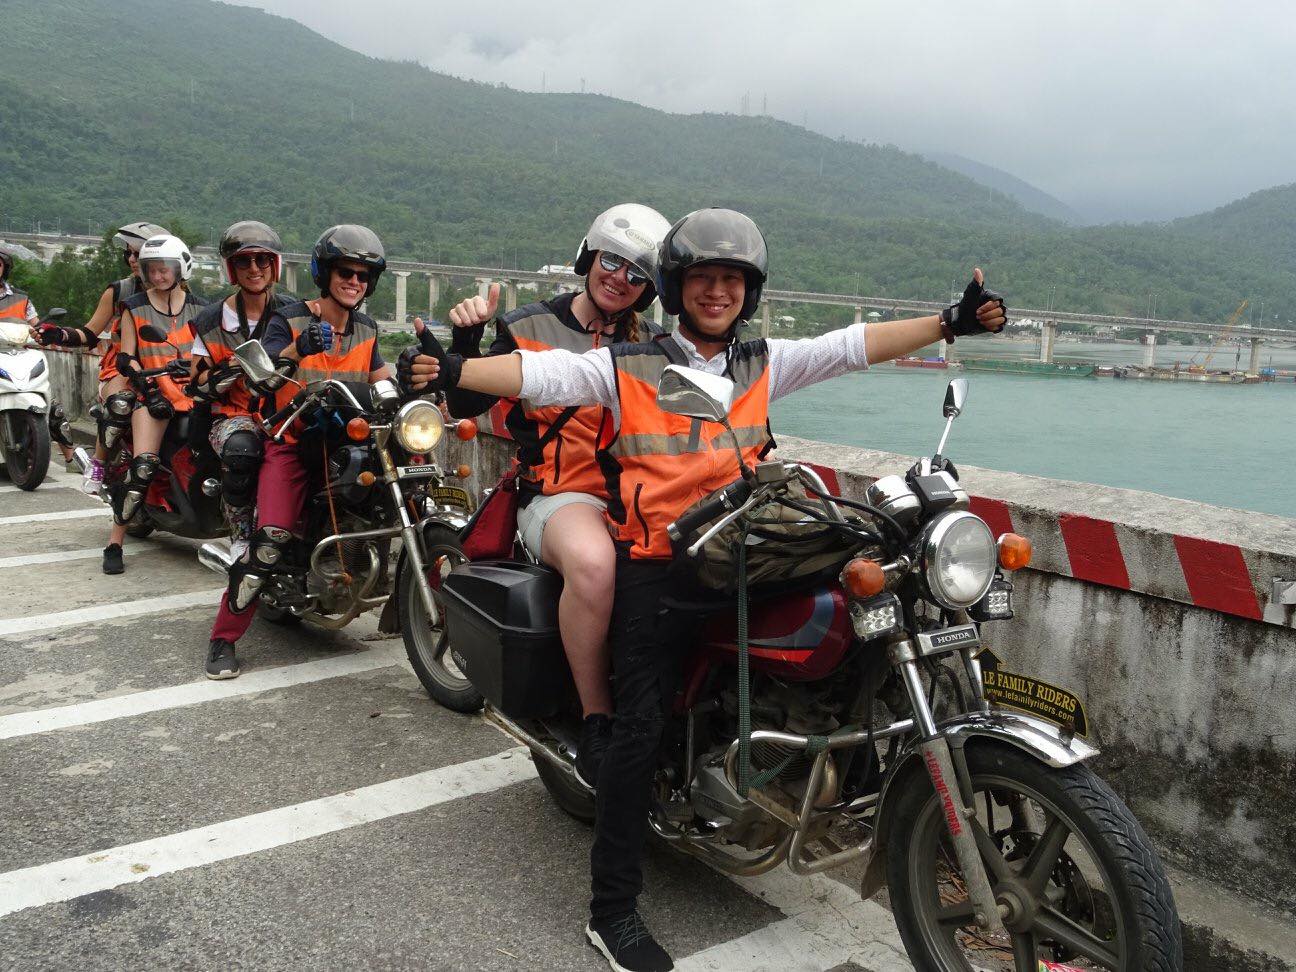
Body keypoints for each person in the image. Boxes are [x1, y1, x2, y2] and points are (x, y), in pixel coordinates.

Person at [404, 207, 1007, 972]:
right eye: (701, 279)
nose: (716, 292)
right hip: (663, 561)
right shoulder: (629, 365)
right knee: (636, 728)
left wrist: (949, 322)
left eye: (731, 280)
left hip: (748, 551)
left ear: (747, 292)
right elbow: (540, 374)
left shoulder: (762, 361)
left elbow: (852, 346)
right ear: (678, 288)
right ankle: (612, 912)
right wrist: (454, 371)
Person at [418, 203, 671, 787]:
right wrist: (465, 339)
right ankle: (597, 717)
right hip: (558, 496)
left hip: (638, 495)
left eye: (638, 274)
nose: (620, 279)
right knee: (594, 566)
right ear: (589, 256)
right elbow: (466, 406)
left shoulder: (655, 342)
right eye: (612, 261)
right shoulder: (528, 327)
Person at [203, 224, 392, 680]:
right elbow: (258, 374)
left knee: (408, 496)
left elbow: (383, 380)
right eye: (345, 271)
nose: (354, 281)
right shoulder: (288, 318)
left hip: (348, 443)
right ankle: (223, 640)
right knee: (269, 543)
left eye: (364, 275)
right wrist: (295, 349)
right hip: (291, 441)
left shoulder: (366, 328)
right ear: (323, 273)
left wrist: (416, 382)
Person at [34, 222, 169, 496]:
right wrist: (57, 334)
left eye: (138, 253)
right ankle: (98, 463)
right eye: (128, 254)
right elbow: (89, 334)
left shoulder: (180, 294)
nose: (132, 259)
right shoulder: (119, 291)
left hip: (165, 366)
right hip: (122, 367)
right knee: (120, 402)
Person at [190, 221, 293, 561]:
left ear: (274, 265)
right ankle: (241, 539)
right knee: (242, 450)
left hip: (285, 414)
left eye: (262, 260)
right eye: (243, 262)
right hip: (234, 416)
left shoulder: (294, 312)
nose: (254, 269)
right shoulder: (211, 320)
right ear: (231, 268)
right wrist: (229, 370)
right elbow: (197, 383)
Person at [112, 235, 204, 550]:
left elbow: (214, 352)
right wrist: (149, 391)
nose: (157, 276)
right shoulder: (134, 307)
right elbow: (126, 358)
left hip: (195, 393)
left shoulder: (201, 309)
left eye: (164, 269)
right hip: (152, 392)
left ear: (181, 269)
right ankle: (115, 542)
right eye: (151, 270)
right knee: (143, 466)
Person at [0, 243, 39, 327]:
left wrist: (46, 331)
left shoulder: (21, 298)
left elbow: (37, 327)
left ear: (4, 269)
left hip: (14, 340)